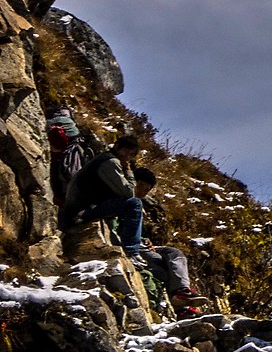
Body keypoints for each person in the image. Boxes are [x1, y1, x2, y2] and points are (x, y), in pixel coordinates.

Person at [130, 167, 206, 317]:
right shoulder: (126, 200)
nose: (142, 191)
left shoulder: (141, 204)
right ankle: (181, 307)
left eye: (146, 189)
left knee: (174, 252)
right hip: (132, 246)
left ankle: (182, 291)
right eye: (140, 186)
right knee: (164, 269)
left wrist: (146, 240)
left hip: (142, 244)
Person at [64, 132, 143, 246]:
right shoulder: (111, 162)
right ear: (117, 147)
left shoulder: (103, 157)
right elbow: (129, 193)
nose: (127, 157)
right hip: (80, 211)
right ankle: (132, 249)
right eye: (126, 151)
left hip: (80, 207)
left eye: (131, 155)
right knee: (134, 204)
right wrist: (128, 170)